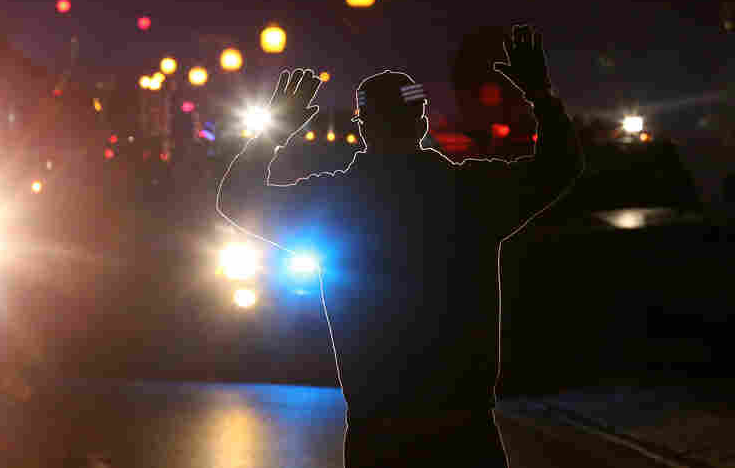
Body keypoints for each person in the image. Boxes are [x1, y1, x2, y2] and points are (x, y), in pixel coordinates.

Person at [217, 24, 583, 467]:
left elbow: (236, 198)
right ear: (422, 123)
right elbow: (560, 165)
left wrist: (276, 131)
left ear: (363, 129)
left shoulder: (336, 202)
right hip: (465, 433)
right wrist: (540, 94)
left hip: (378, 433)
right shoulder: (469, 194)